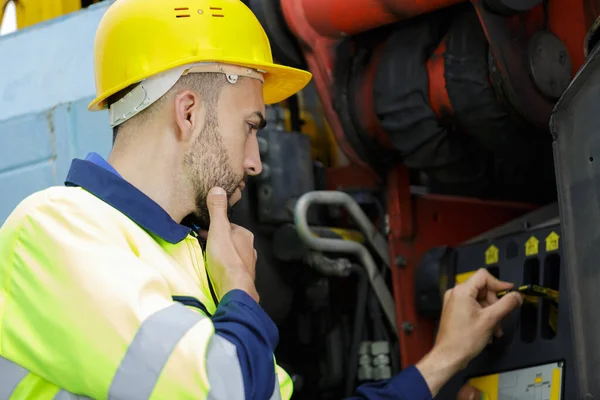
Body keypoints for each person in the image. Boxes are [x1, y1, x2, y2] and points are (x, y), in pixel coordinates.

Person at [0, 0, 523, 398]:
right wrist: (241, 293)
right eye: (250, 127)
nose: (254, 160)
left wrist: (442, 363)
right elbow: (222, 387)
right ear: (188, 114)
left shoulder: (190, 263)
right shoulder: (53, 232)